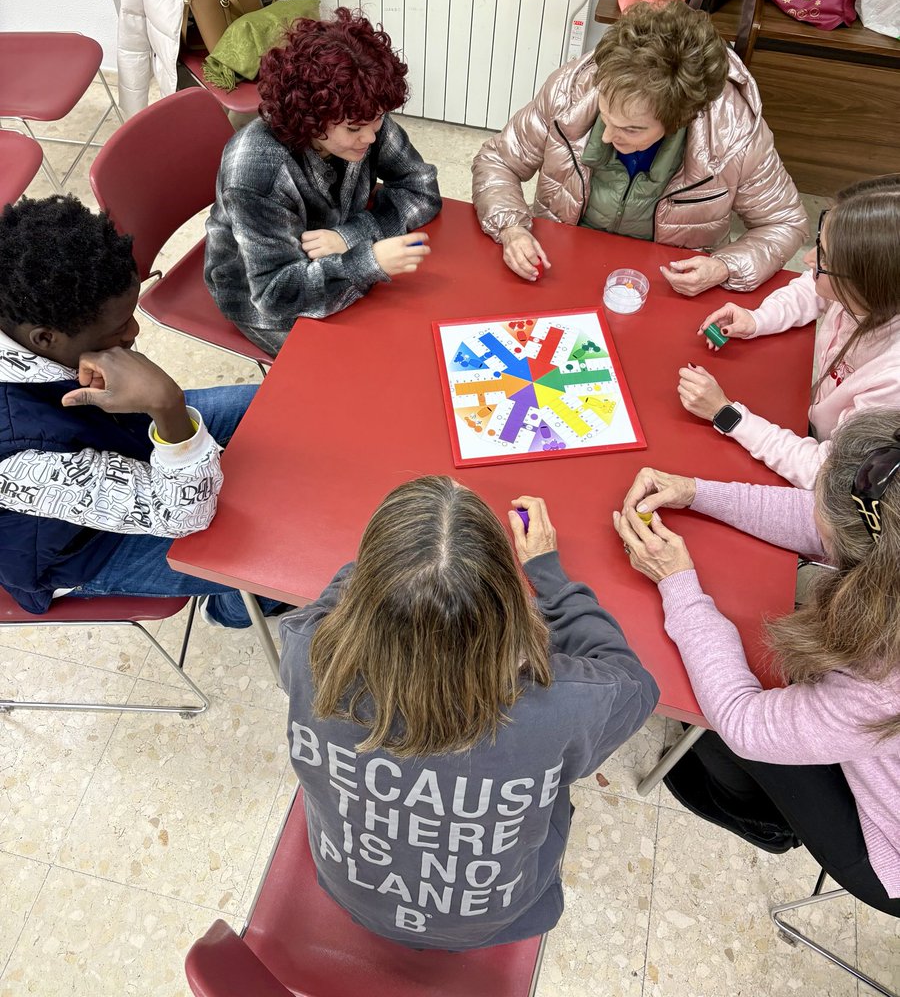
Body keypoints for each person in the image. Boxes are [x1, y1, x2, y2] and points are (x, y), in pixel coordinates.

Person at [280, 477, 658, 950]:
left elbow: (335, 603)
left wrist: (396, 564)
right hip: (496, 919)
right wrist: (548, 576)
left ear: (368, 592)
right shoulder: (565, 702)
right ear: (505, 608)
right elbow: (635, 684)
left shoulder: (305, 653)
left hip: (349, 889)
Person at [612, 409, 900, 915]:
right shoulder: (883, 548)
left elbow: (744, 720)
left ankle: (762, 822)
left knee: (731, 721)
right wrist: (696, 491)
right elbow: (823, 525)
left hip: (888, 858)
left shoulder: (879, 682)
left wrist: (677, 581)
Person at [0, 195, 288, 628]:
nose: (135, 332)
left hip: (110, 434)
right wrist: (167, 407)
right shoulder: (21, 461)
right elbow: (185, 516)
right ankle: (234, 608)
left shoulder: (32, 324)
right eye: (118, 329)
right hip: (87, 548)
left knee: (275, 405)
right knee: (276, 553)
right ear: (45, 339)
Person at [472, 0, 807, 295]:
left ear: (681, 119)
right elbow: (497, 161)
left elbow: (785, 223)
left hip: (664, 285)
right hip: (558, 262)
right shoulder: (570, 89)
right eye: (605, 114)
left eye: (631, 129)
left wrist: (724, 267)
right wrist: (512, 228)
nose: (606, 137)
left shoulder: (734, 132)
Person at [205, 7, 442, 355]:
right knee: (362, 369)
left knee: (412, 340)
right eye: (354, 128)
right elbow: (275, 295)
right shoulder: (257, 170)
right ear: (311, 118)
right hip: (263, 297)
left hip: (334, 262)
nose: (371, 138)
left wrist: (351, 237)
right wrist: (369, 261)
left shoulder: (363, 116)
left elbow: (421, 187)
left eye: (377, 120)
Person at [679, 175, 900, 489]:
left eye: (823, 258)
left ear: (866, 282)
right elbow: (810, 288)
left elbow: (826, 472)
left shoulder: (892, 383)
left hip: (836, 464)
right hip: (819, 421)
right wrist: (757, 319)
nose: (808, 259)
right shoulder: (873, 293)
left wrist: (725, 413)